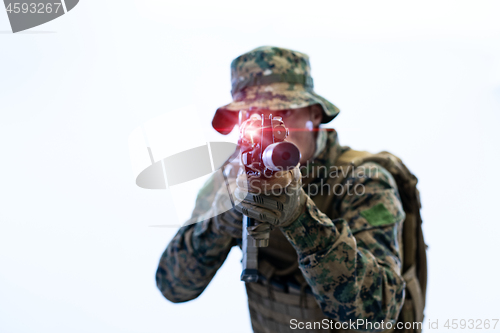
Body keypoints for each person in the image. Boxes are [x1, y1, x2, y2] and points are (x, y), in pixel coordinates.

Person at [156, 46, 409, 333]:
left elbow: (378, 312)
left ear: (314, 113)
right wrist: (223, 219)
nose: (271, 129)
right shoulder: (230, 178)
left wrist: (301, 218)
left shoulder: (363, 181)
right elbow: (173, 285)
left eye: (283, 112)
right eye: (253, 115)